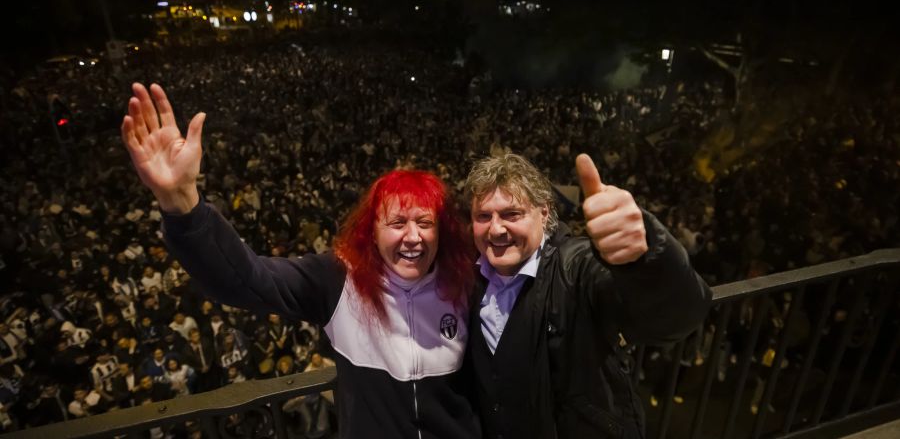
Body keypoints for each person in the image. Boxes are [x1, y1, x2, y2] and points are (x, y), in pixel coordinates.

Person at [120, 83, 479, 438]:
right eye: (397, 223)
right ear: (372, 232)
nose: (413, 237)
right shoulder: (339, 280)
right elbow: (244, 279)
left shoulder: (464, 283)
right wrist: (182, 204)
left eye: (425, 223)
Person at [463, 152, 712, 439]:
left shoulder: (577, 265)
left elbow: (678, 315)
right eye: (483, 216)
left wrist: (644, 257)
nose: (495, 228)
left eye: (511, 214)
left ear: (543, 214)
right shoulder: (469, 277)